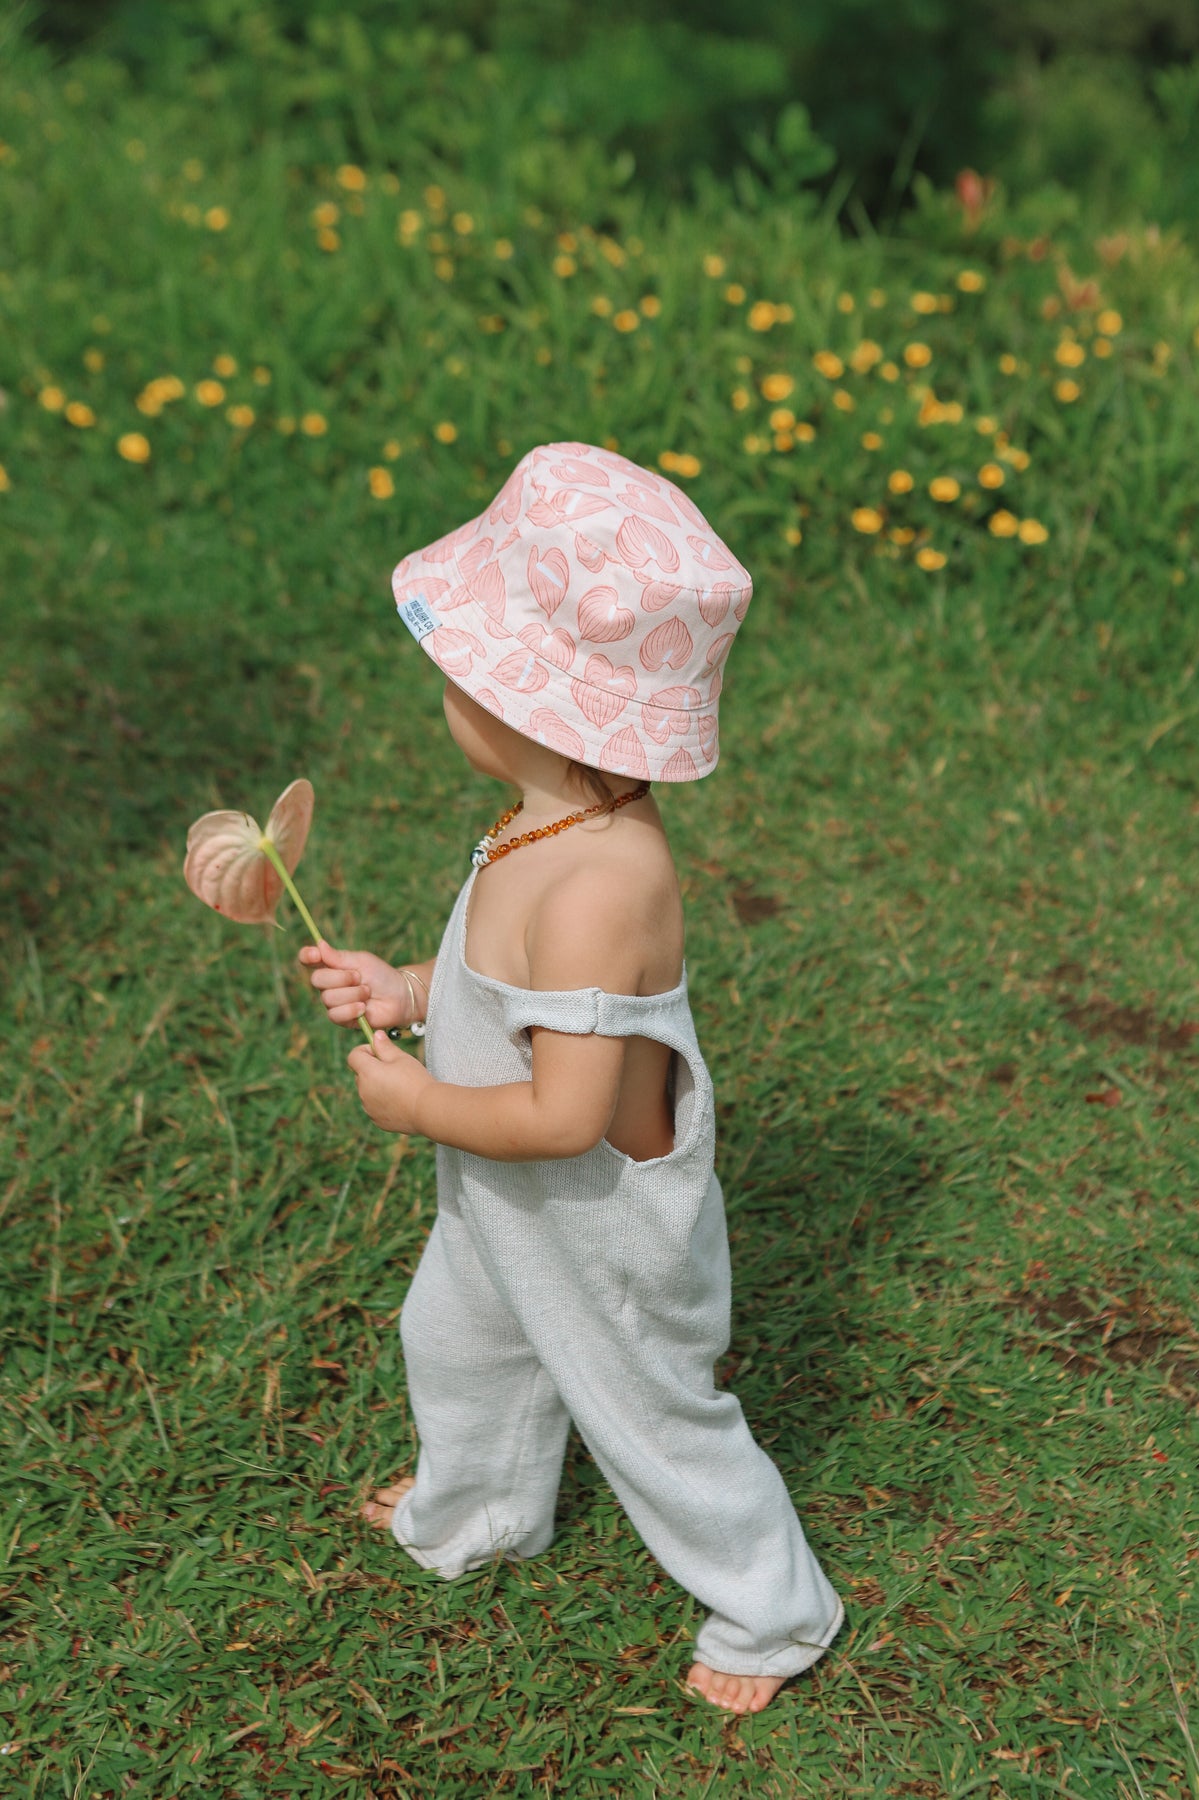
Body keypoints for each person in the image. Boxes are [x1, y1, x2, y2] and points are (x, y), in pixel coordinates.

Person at [299, 442, 844, 1715]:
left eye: (462, 668)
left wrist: (419, 1099)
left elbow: (567, 1111)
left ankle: (774, 1607)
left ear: (530, 704)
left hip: (599, 1231)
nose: (446, 685)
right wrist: (412, 994)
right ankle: (483, 1510)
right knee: (453, 1341)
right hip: (505, 1206)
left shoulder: (603, 886)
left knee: (655, 1423)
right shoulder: (540, 823)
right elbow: (510, 997)